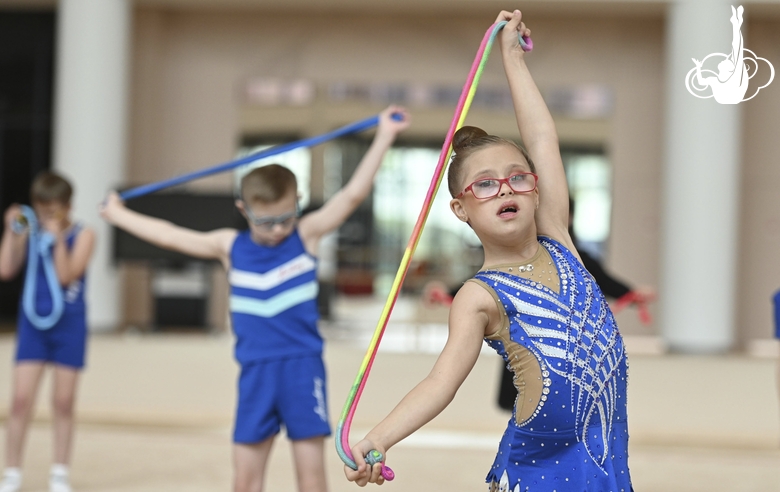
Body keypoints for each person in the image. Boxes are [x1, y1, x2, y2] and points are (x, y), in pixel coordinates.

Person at [344, 11, 632, 491]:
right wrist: (378, 439)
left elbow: (542, 138)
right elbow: (440, 382)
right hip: (537, 468)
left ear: (536, 191)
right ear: (460, 209)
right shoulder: (478, 296)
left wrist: (513, 60)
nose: (505, 188)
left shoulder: (558, 239)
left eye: (517, 177)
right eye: (485, 184)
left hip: (602, 457)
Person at [100, 106, 409, 492]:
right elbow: (168, 235)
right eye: (265, 221)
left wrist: (384, 135)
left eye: (286, 217)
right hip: (255, 373)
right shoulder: (229, 246)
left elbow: (351, 196)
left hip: (302, 368)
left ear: (298, 202)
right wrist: (118, 215)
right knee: (245, 482)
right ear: (243, 210)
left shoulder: (306, 235)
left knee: (312, 479)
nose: (278, 229)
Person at [0, 172, 96, 492]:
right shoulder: (31, 229)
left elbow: (66, 276)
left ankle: (59, 474)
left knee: (63, 401)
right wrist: (11, 231)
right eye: (42, 210)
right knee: (20, 400)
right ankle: (12, 473)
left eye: (53, 211)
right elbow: (5, 269)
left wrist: (56, 240)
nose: (46, 217)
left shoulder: (84, 234)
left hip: (69, 324)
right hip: (33, 323)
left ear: (68, 207)